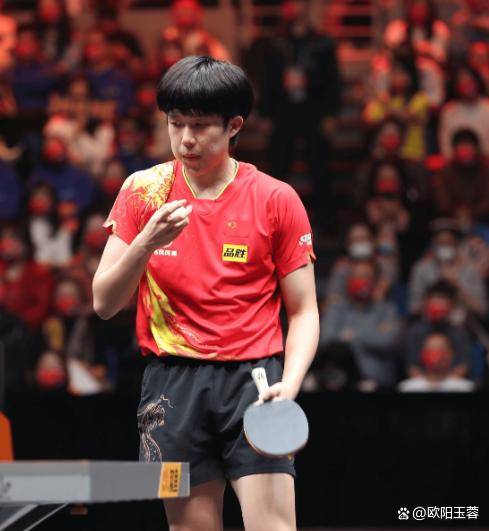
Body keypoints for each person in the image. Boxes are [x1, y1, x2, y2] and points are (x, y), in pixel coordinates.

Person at [92, 56, 319, 530]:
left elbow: (303, 311)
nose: (186, 140)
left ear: (234, 126)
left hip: (254, 381)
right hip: (171, 385)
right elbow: (104, 303)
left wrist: (291, 384)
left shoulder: (275, 199)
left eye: (199, 126)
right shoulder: (144, 192)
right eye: (175, 124)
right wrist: (146, 243)